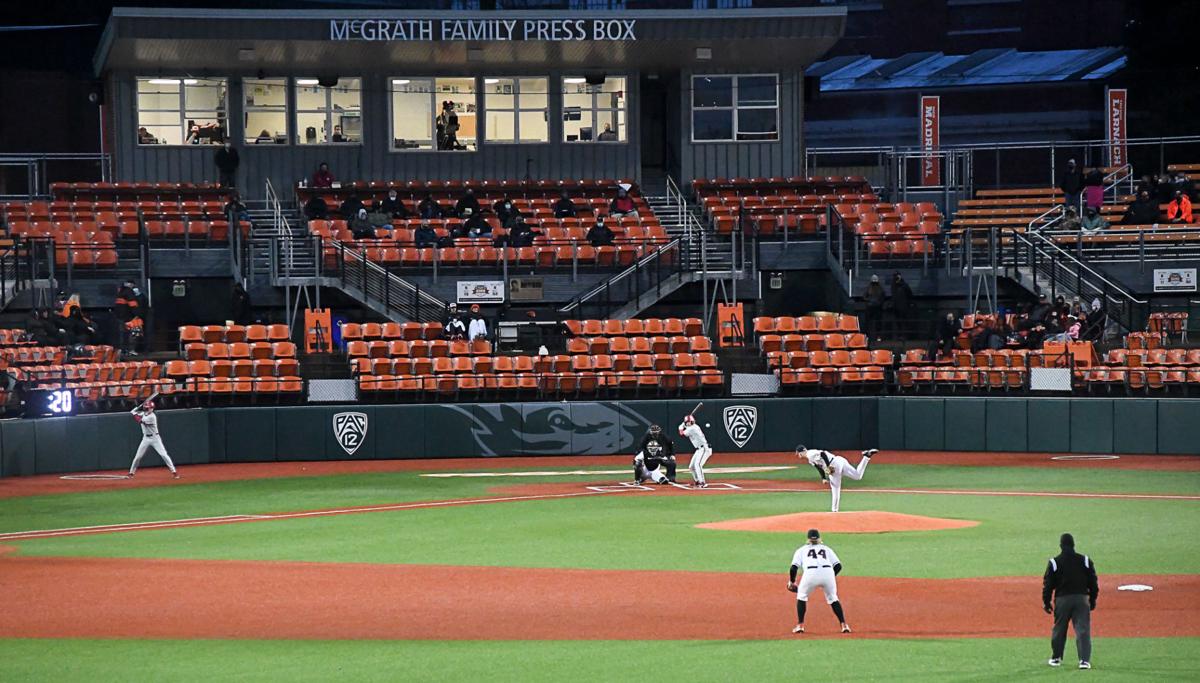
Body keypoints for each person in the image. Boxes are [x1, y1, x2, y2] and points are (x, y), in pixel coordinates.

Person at [1043, 533, 1098, 670]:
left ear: (1061, 546)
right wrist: (1092, 599)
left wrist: (1046, 601)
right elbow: (1093, 582)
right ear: (1073, 545)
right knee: (1082, 629)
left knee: (1059, 628)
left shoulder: (1054, 562)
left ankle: (1056, 658)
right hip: (1081, 598)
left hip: (1062, 600)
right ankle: (1084, 661)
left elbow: (1048, 584)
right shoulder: (1085, 560)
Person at [788, 528, 850, 634]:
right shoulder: (827, 549)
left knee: (801, 596)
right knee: (833, 598)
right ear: (819, 538)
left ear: (808, 539)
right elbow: (838, 566)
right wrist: (829, 577)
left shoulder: (801, 550)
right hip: (828, 572)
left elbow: (793, 568)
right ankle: (844, 624)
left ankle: (800, 625)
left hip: (810, 574)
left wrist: (792, 582)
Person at [798, 446, 878, 513]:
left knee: (835, 488)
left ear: (803, 451)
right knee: (857, 476)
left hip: (834, 465)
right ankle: (866, 456)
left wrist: (829, 465)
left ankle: (834, 511)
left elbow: (823, 453)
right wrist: (823, 478)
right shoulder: (810, 459)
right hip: (840, 460)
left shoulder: (810, 454)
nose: (799, 455)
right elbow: (819, 468)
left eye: (799, 453)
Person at [127, 399, 179, 479]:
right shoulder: (143, 413)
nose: (149, 409)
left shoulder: (152, 417)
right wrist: (134, 411)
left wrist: (134, 413)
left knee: (163, 454)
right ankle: (131, 473)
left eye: (150, 408)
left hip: (155, 438)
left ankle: (174, 472)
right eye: (148, 408)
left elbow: (140, 420)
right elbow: (139, 414)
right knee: (138, 457)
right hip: (145, 438)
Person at [679, 413, 712, 488]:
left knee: (698, 465)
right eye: (688, 422)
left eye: (690, 422)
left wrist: (680, 427)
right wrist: (684, 425)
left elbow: (681, 433)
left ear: (693, 422)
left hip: (704, 448)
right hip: (699, 449)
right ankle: (697, 481)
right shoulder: (691, 427)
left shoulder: (693, 428)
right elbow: (686, 429)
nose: (689, 423)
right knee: (691, 467)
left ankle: (702, 482)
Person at [890, 272, 914, 338]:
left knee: (904, 322)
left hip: (903, 307)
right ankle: (900, 336)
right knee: (898, 323)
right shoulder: (893, 285)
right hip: (896, 307)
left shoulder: (904, 285)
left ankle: (904, 336)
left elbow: (910, 294)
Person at [863, 275, 885, 341]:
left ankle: (878, 337)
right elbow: (864, 296)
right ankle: (868, 336)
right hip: (870, 308)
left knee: (878, 323)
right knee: (869, 323)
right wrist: (869, 300)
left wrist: (878, 302)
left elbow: (883, 297)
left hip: (877, 308)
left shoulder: (880, 289)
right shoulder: (869, 288)